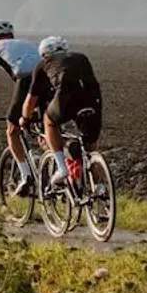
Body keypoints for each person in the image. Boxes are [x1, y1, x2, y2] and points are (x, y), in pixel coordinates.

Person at [23, 35, 104, 188]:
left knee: (49, 121)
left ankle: (62, 168)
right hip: (93, 99)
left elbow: (31, 100)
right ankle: (100, 187)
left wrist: (24, 118)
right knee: (91, 147)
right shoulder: (81, 58)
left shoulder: (43, 64)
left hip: (67, 98)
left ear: (44, 54)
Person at [0, 19, 45, 196]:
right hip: (49, 79)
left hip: (26, 80)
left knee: (12, 130)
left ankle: (26, 176)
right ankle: (56, 168)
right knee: (48, 128)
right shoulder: (28, 43)